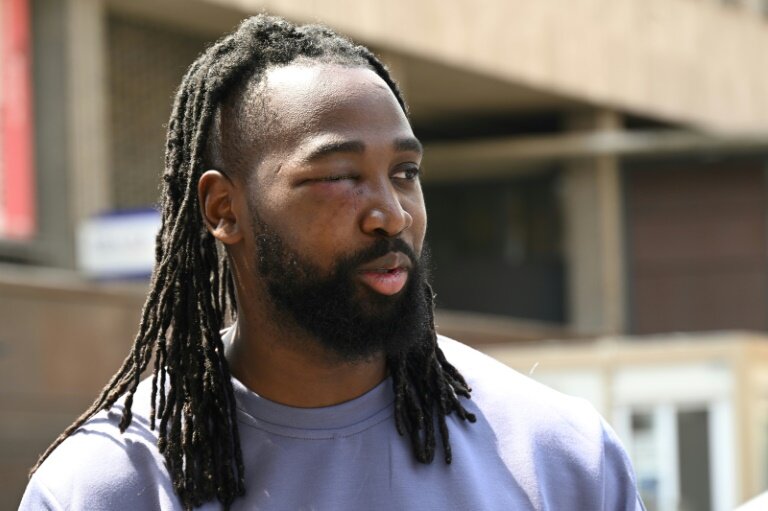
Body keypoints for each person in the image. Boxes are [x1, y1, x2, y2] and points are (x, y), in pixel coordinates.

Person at [20, 14, 645, 510]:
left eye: (404, 173)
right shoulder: (107, 485)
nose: (391, 214)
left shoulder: (558, 458)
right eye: (341, 176)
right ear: (223, 209)